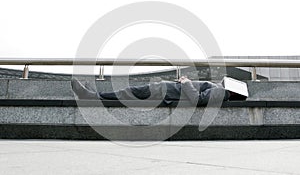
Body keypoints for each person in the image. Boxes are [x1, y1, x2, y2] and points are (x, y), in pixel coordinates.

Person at [71, 76, 247, 106]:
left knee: (126, 93)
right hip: (165, 90)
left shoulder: (222, 92)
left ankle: (90, 96)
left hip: (165, 92)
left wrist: (185, 82)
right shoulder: (220, 90)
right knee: (127, 93)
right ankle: (92, 95)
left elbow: (197, 99)